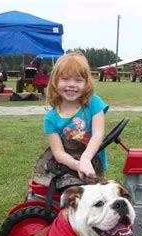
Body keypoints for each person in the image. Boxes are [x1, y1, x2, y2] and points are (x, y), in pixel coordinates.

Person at [44, 52, 108, 181]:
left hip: (93, 163)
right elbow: (58, 152)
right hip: (68, 167)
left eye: (78, 80)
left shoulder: (94, 104)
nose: (72, 84)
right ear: (55, 81)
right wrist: (77, 165)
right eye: (65, 79)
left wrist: (85, 159)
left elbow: (98, 134)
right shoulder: (50, 118)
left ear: (86, 84)